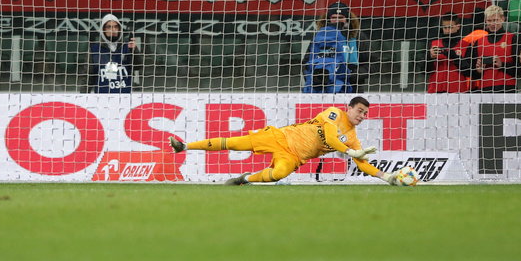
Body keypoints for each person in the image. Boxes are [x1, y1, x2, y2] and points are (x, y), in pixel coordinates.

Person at [169, 96, 403, 186]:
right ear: (349, 108)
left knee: (278, 174)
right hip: (281, 136)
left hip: (295, 156)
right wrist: (350, 152)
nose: (362, 116)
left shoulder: (352, 138)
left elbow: (362, 162)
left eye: (365, 114)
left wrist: (386, 177)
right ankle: (185, 146)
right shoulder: (334, 113)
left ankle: (245, 179)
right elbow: (331, 136)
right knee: (235, 142)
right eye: (359, 111)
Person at [302, 2, 368, 93]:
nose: (337, 20)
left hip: (353, 88)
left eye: (341, 17)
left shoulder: (358, 37)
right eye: (334, 17)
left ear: (347, 19)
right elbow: (307, 63)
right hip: (324, 88)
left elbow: (372, 63)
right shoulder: (320, 37)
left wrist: (352, 76)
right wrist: (317, 78)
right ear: (328, 19)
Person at [468, 4, 519, 92]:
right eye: (489, 20)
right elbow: (472, 73)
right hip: (485, 89)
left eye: (495, 20)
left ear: (503, 19)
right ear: (485, 21)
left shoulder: (512, 38)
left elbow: (520, 70)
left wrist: (502, 65)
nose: (492, 24)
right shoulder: (479, 42)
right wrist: (478, 71)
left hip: (507, 88)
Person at [89, 14, 136, 93]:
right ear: (103, 29)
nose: (113, 30)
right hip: (101, 98)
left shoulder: (127, 46)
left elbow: (139, 66)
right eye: (109, 27)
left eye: (115, 26)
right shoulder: (94, 49)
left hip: (124, 97)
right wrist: (83, 97)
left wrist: (134, 51)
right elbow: (88, 76)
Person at [427, 14, 471, 93]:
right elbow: (424, 70)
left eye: (450, 27)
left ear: (458, 26)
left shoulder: (466, 45)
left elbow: (469, 72)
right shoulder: (433, 44)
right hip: (435, 90)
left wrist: (456, 58)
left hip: (457, 90)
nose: (447, 30)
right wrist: (430, 57)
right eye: (445, 27)